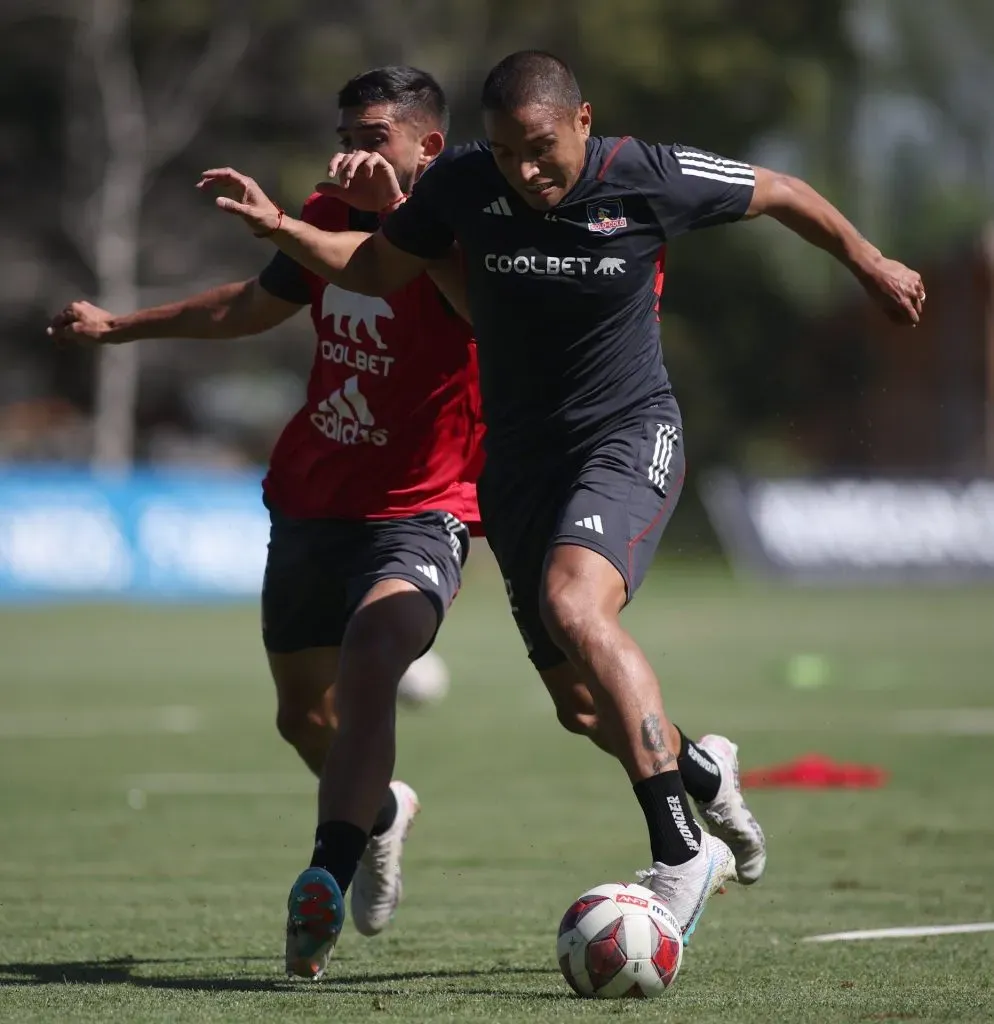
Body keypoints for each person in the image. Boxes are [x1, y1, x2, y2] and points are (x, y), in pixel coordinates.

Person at [197, 50, 925, 950]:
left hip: (627, 436)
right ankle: (703, 770)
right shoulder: (465, 180)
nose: (526, 171)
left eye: (541, 149)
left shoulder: (648, 175)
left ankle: (678, 848)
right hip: (521, 466)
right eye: (506, 153)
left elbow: (780, 189)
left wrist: (870, 262)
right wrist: (279, 227)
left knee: (573, 602)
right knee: (579, 707)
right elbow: (380, 268)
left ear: (584, 121)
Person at [47, 66, 485, 979]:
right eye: (349, 132)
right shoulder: (325, 205)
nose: (354, 149)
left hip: (422, 506)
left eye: (374, 134)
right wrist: (119, 328)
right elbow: (252, 307)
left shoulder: (468, 221)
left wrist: (395, 208)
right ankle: (382, 813)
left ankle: (323, 869)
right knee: (301, 719)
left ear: (426, 146)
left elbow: (475, 306)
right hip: (311, 499)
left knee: (375, 656)